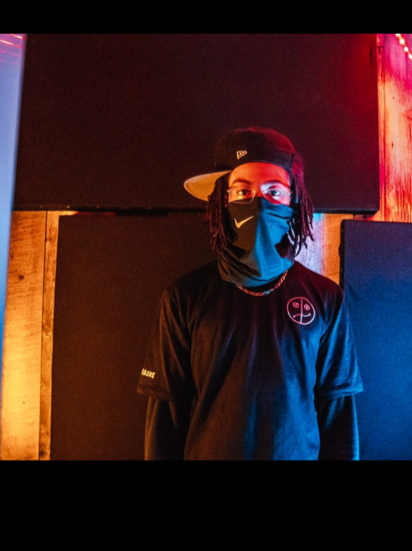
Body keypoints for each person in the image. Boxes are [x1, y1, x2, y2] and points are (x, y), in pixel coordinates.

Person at [137, 127, 363, 460]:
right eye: (243, 191)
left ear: (293, 200)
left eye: (274, 191)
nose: (258, 203)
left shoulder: (326, 299)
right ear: (222, 199)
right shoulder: (183, 298)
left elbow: (338, 419)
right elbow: (164, 424)